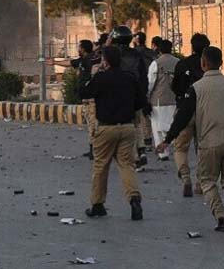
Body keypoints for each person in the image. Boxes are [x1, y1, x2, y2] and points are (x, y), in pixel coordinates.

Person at [158, 46, 224, 232]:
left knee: (207, 181)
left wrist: (168, 139)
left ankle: (222, 218)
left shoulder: (197, 88)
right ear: (221, 63)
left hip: (210, 142)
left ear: (203, 63)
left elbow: (183, 116)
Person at [80, 46, 144, 221]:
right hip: (127, 128)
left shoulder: (101, 78)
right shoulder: (130, 78)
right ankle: (134, 199)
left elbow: (84, 93)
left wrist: (92, 76)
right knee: (127, 165)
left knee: (101, 165)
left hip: (106, 129)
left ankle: (97, 204)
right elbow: (140, 102)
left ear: (105, 61)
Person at [171, 33, 211, 197]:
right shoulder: (208, 67)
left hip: (184, 110)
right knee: (201, 148)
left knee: (180, 147)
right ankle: (200, 182)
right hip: (204, 111)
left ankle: (185, 176)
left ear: (192, 46)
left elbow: (175, 87)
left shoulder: (182, 64)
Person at [109, 26, 150, 170]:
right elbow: (143, 76)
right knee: (137, 123)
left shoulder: (113, 54)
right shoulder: (136, 54)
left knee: (126, 126)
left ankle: (135, 157)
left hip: (119, 95)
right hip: (135, 92)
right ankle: (142, 149)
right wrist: (143, 95)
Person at [48, 40, 97, 159]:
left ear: (83, 49)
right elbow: (69, 62)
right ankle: (92, 148)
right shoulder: (82, 60)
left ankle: (94, 150)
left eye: (79, 47)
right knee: (90, 124)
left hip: (91, 98)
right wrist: (55, 62)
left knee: (93, 124)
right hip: (85, 98)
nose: (77, 49)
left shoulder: (91, 60)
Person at [148, 39, 179, 161]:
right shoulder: (178, 62)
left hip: (158, 99)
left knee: (157, 127)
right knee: (172, 124)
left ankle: (163, 153)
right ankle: (174, 145)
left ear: (159, 49)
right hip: (174, 98)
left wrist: (147, 96)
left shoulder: (156, 63)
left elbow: (150, 82)